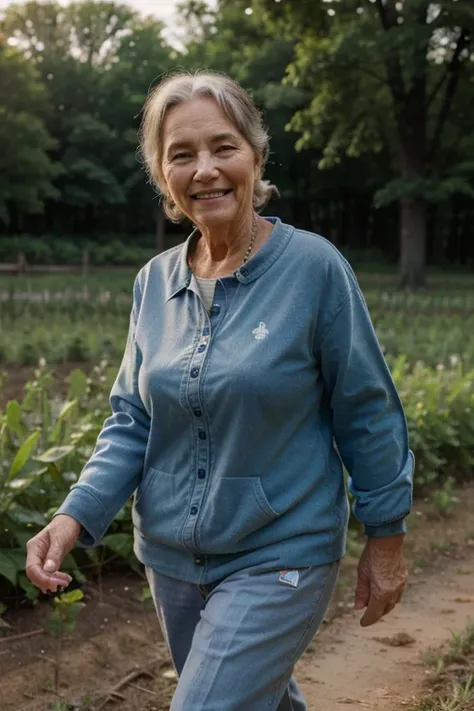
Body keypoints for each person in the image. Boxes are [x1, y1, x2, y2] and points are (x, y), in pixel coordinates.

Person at [26, 70, 414, 711]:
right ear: (164, 176)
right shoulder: (154, 283)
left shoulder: (314, 270)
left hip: (282, 548)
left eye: (223, 147)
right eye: (182, 154)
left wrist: (388, 535)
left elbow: (366, 410)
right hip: (172, 559)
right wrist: (73, 517)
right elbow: (131, 419)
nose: (205, 169)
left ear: (255, 156)